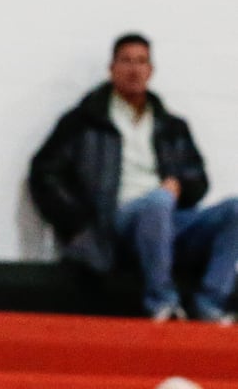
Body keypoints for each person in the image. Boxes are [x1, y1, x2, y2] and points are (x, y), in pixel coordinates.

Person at [29, 33, 238, 323]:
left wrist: (180, 186)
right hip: (115, 220)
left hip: (168, 217)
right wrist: (77, 223)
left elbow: (198, 181)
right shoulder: (83, 122)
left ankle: (211, 302)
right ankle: (162, 301)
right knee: (157, 202)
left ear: (150, 70)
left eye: (141, 62)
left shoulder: (172, 126)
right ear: (112, 69)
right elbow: (45, 173)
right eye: (126, 61)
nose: (134, 69)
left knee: (233, 210)